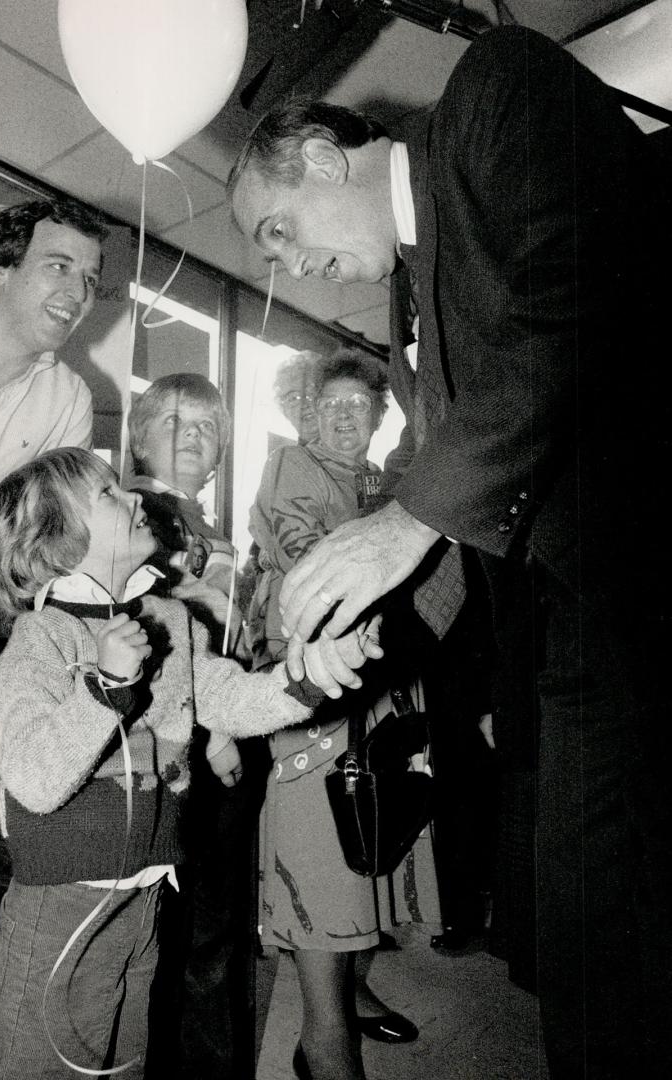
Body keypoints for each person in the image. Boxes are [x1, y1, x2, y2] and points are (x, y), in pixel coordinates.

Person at [228, 26, 672, 1080]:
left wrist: (408, 519)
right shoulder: (406, 298)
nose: (288, 266)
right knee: (577, 920)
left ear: (328, 159)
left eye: (278, 232)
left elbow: (579, 287)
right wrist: (353, 645)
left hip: (655, 571)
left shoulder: (497, 86)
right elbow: (452, 526)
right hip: (575, 614)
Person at [0, 446, 379, 1080]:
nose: (134, 497)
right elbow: (33, 779)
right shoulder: (41, 640)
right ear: (55, 542)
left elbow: (232, 698)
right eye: (108, 495)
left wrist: (311, 675)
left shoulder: (166, 619)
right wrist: (103, 688)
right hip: (64, 898)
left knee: (127, 1047)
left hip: (148, 886)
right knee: (39, 1056)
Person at [249, 350, 437, 1080]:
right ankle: (323, 1038)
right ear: (307, 413)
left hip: (380, 678)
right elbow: (314, 566)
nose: (347, 415)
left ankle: (353, 993)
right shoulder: (293, 467)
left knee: (375, 831)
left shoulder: (376, 483)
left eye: (363, 406)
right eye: (334, 404)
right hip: (315, 680)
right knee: (324, 853)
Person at [128, 373, 261, 1079]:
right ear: (141, 436)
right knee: (185, 936)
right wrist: (216, 731)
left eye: (206, 426)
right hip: (181, 751)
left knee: (208, 933)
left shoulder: (205, 526)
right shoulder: (136, 518)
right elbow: (156, 643)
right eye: (172, 421)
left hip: (216, 743)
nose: (189, 436)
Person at [0, 198, 107, 581]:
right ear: (1, 269)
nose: (79, 293)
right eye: (59, 267)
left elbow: (59, 530)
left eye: (90, 279)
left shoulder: (69, 401)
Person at [272, 349, 322, 444]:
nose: (303, 405)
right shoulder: (285, 458)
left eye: (310, 393)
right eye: (293, 398)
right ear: (284, 410)